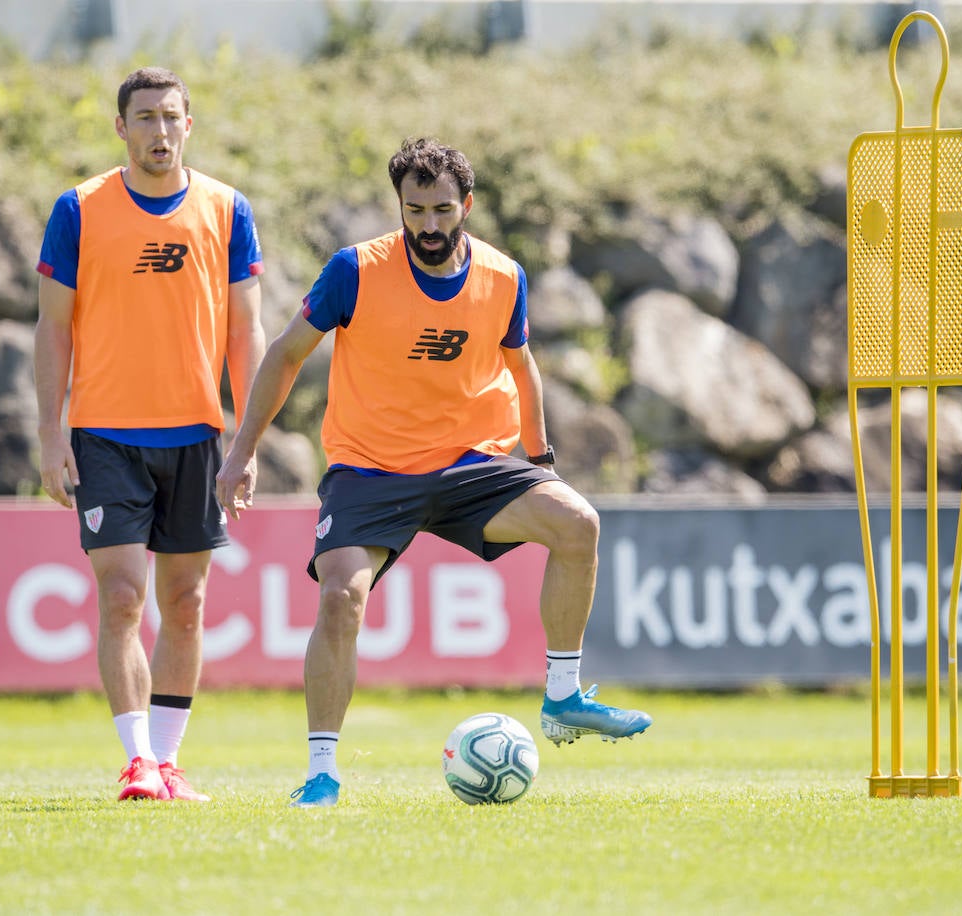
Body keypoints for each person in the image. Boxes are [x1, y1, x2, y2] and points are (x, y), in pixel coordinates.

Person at [215, 137, 651, 808]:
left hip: (471, 461)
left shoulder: (504, 277)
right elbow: (285, 355)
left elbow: (520, 364)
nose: (427, 225)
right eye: (414, 210)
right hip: (370, 468)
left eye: (442, 209)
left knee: (578, 526)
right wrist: (241, 453)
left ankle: (563, 696)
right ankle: (323, 773)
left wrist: (539, 462)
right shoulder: (353, 271)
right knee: (340, 598)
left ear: (466, 206)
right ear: (400, 207)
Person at [34, 67, 265, 802]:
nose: (159, 131)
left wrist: (246, 442)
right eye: (145, 118)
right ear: (121, 128)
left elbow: (247, 330)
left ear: (188, 125)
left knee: (188, 603)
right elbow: (52, 326)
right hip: (103, 432)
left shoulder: (228, 210)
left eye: (171, 117)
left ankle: (169, 761)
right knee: (124, 598)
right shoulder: (79, 209)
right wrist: (49, 431)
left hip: (196, 432)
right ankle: (136, 760)